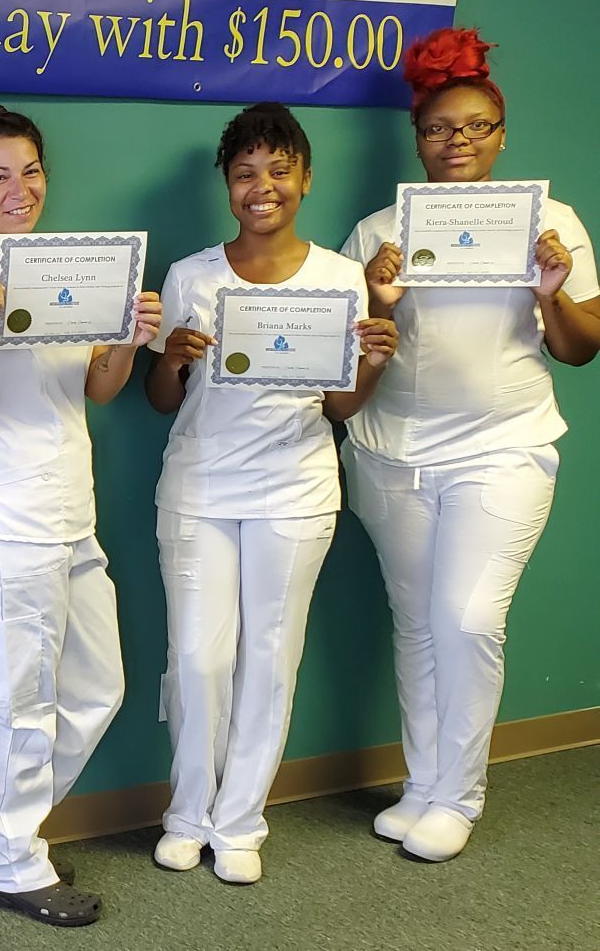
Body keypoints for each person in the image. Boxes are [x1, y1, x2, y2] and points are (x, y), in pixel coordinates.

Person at [340, 27, 598, 862]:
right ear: (416, 138)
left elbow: (579, 345)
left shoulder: (551, 224)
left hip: (504, 449)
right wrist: (381, 294)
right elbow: (348, 358)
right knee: (414, 622)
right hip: (390, 453)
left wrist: (548, 292)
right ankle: (422, 786)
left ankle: (459, 791)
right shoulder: (378, 230)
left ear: (501, 132)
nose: (456, 142)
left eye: (475, 126)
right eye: (438, 129)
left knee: (469, 616)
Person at [0, 102, 161, 927]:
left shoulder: (69, 267)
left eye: (29, 170)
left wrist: (125, 338)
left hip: (68, 510)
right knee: (13, 698)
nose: (18, 188)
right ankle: (8, 860)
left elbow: (93, 388)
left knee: (97, 687)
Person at [144, 102, 399, 884]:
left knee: (269, 657)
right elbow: (158, 399)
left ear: (303, 178)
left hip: (294, 489)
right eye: (245, 173)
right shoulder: (190, 274)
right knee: (196, 656)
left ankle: (240, 820)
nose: (262, 187)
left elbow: (341, 405)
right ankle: (187, 812)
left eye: (278, 170)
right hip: (197, 489)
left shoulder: (339, 277)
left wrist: (376, 359)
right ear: (227, 184)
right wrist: (173, 359)